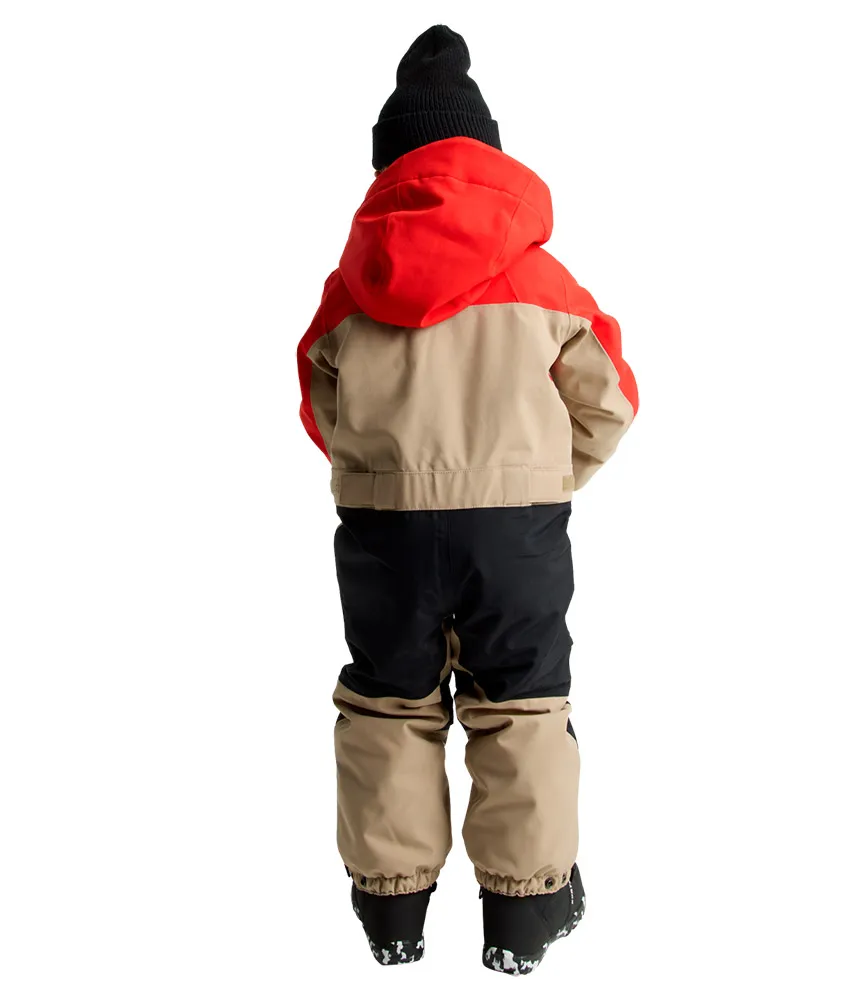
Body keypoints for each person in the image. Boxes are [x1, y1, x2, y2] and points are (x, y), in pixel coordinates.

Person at [297, 24, 638, 975]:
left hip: (386, 529)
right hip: (515, 531)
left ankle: (391, 913)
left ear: (389, 166)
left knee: (389, 701)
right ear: (487, 156)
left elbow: (320, 401)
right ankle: (525, 917)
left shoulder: (352, 284)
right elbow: (610, 402)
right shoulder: (542, 280)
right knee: (521, 704)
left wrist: (384, 473)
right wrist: (538, 475)